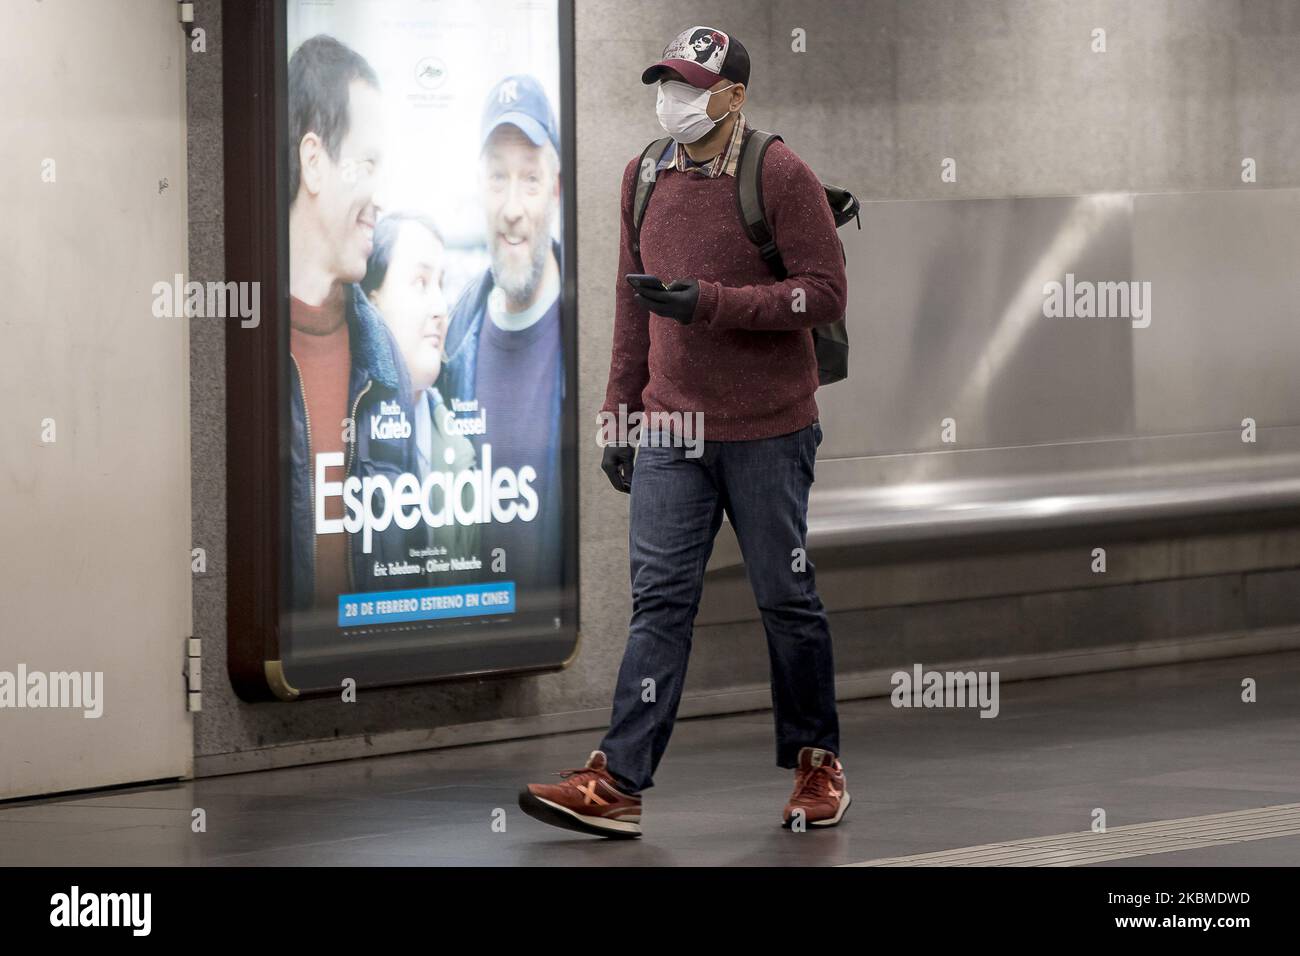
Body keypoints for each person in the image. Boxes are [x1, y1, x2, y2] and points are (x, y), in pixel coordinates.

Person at [519, 26, 850, 838]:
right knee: (660, 602)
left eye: (688, 86)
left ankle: (817, 763)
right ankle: (619, 781)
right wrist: (619, 413)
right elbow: (632, 306)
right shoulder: (642, 178)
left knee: (784, 598)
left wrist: (713, 302)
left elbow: (824, 294)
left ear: (732, 98)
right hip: (673, 429)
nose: (671, 100)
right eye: (665, 83)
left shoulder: (779, 173)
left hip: (770, 431)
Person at [287, 35, 418, 614]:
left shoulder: (382, 356)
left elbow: (411, 554)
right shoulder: (240, 347)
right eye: (366, 164)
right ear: (313, 162)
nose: (378, 197)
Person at [438, 74, 564, 611]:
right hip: (473, 638)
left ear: (556, 191)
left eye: (530, 180)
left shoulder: (598, 331)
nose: (512, 207)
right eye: (498, 179)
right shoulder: (447, 340)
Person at [362, 212, 479, 584]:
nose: (441, 308)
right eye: (420, 281)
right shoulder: (341, 438)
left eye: (441, 284)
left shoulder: (462, 450)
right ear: (371, 301)